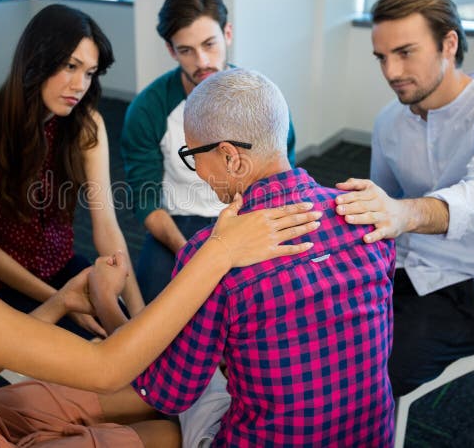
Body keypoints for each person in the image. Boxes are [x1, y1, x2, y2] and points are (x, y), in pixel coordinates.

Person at [0, 70, 322, 446]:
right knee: (160, 426)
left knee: (150, 403)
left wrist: (65, 300)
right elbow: (105, 364)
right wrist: (221, 250)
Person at [98, 68, 396, 446]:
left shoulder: (215, 254)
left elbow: (167, 391)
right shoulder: (367, 216)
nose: (199, 173)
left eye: (193, 156)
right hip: (372, 437)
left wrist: (106, 299)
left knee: (196, 395)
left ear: (231, 158)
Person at [334, 0, 474, 396]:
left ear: (448, 43)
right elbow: (382, 208)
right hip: (400, 268)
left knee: (369, 377)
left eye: (405, 52)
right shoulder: (389, 122)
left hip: (473, 288)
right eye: (382, 57)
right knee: (304, 332)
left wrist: (404, 214)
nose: (391, 72)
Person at [121, 0, 297, 303]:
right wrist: (192, 254)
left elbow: (282, 181)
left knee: (277, 307)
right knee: (153, 312)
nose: (202, 61)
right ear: (171, 51)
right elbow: (146, 204)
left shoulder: (263, 99)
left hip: (249, 215)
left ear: (227, 33)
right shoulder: (147, 110)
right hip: (177, 225)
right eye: (186, 50)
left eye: (209, 44)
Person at [0, 3, 143, 335]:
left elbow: (107, 227)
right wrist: (61, 302)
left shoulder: (86, 124)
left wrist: (140, 315)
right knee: (73, 360)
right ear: (37, 60)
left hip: (62, 268)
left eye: (89, 72)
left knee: (123, 337)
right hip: (0, 283)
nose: (80, 85)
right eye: (70, 66)